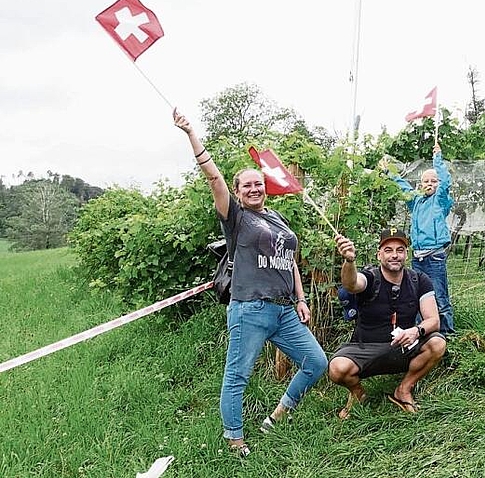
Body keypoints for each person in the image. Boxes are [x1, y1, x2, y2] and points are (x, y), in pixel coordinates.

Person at [173, 109, 327, 457]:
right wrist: (191, 135)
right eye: (247, 185)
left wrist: (301, 299)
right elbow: (214, 179)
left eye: (258, 183)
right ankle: (235, 440)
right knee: (237, 376)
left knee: (317, 363)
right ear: (239, 192)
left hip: (285, 311)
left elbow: (291, 261)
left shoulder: (276, 217)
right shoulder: (236, 218)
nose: (254, 188)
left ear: (265, 188)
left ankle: (278, 416)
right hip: (250, 309)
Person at [329, 228, 447, 419]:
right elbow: (351, 284)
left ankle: (404, 389)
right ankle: (358, 394)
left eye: (400, 250)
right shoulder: (370, 277)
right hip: (366, 348)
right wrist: (349, 261)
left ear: (406, 254)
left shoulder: (419, 280)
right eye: (388, 250)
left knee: (438, 343)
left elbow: (434, 320)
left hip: (404, 347)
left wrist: (416, 331)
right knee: (337, 368)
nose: (394, 255)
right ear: (379, 254)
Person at [383, 142, 455, 335]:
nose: (429, 184)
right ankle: (420, 331)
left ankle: (447, 332)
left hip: (434, 257)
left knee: (439, 295)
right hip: (418, 257)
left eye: (433, 181)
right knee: (418, 294)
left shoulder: (440, 200)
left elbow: (446, 181)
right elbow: (403, 188)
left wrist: (437, 159)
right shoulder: (416, 202)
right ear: (420, 185)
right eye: (426, 182)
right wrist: (389, 173)